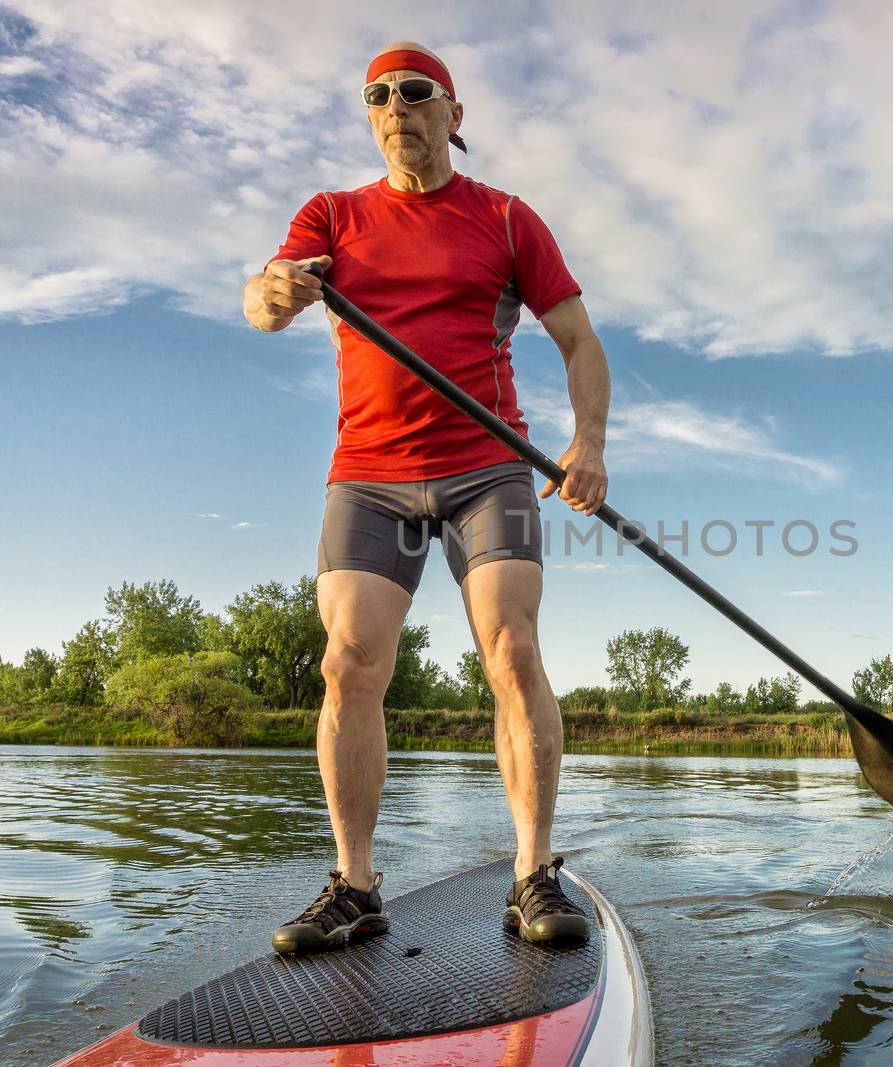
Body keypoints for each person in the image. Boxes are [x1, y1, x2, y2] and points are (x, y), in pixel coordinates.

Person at [241, 40, 611, 951]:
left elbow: (579, 340)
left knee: (511, 645)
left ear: (454, 113)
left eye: (415, 91)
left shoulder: (507, 219)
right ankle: (357, 886)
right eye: (378, 95)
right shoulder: (332, 215)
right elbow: (264, 304)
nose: (396, 105)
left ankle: (532, 872)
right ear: (371, 117)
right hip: (367, 474)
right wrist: (273, 290)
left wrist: (587, 446)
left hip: (488, 465)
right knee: (347, 663)